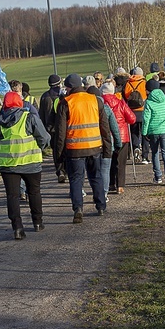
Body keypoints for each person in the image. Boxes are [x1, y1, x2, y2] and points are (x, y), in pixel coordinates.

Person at [0, 91, 50, 239]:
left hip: (9, 166)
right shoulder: (29, 117)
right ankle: (37, 222)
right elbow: (43, 137)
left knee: (12, 196)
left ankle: (17, 228)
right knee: (34, 192)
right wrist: (40, 148)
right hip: (31, 163)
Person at [54, 73, 112, 223]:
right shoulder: (95, 100)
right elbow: (104, 126)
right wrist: (107, 147)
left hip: (74, 148)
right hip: (94, 146)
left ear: (69, 87)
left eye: (66, 87)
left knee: (76, 179)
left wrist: (58, 155)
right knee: (96, 176)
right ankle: (100, 206)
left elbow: (60, 132)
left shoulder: (65, 102)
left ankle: (78, 208)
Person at [86, 82, 122, 203]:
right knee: (105, 170)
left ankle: (97, 191)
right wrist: (118, 143)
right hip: (107, 144)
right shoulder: (106, 108)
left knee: (93, 171)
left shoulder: (86, 110)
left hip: (91, 144)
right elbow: (114, 128)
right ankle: (104, 193)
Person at [101, 81, 136, 195]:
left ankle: (110, 184)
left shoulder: (99, 104)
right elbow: (132, 118)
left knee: (108, 161)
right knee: (121, 162)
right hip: (122, 136)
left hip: (105, 137)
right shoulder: (120, 103)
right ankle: (120, 185)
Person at [142, 79, 165, 187]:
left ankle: (158, 176)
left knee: (155, 153)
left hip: (153, 130)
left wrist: (144, 132)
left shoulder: (148, 102)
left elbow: (146, 119)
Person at [39, 74, 67, 183]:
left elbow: (41, 115)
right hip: (63, 128)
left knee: (56, 152)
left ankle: (60, 171)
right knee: (65, 149)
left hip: (50, 130)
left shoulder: (44, 96)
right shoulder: (62, 95)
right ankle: (66, 170)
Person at [123, 66, 149, 164]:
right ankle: (145, 157)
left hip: (132, 111)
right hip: (143, 110)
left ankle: (136, 147)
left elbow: (125, 96)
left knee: (134, 132)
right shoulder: (144, 83)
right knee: (145, 133)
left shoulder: (128, 83)